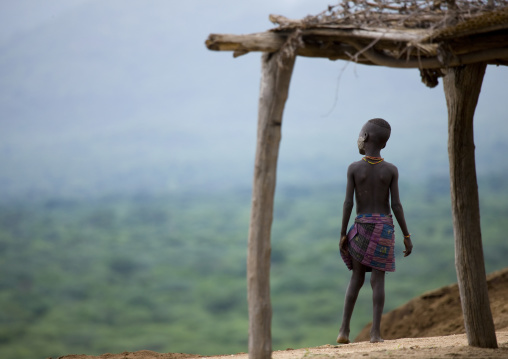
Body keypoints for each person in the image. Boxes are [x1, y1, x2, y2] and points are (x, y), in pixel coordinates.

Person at [336, 118, 413, 344]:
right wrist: (407, 236)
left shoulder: (354, 168)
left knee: (356, 278)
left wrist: (343, 233)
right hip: (383, 229)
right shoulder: (390, 170)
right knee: (378, 281)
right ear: (384, 144)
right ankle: (375, 334)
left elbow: (348, 204)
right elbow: (396, 205)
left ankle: (344, 331)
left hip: (360, 228)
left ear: (366, 137)